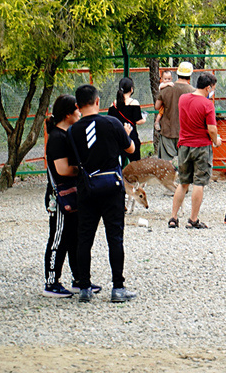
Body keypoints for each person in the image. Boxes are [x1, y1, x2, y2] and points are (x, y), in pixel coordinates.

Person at [69, 84, 136, 303]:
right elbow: (130, 150)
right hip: (111, 187)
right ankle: (118, 288)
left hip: (87, 188)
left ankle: (85, 288)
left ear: (78, 106)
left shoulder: (72, 131)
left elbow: (72, 162)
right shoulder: (112, 123)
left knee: (84, 238)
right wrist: (126, 135)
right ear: (98, 101)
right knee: (114, 237)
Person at [42, 95, 84, 298]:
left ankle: (79, 279)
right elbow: (63, 169)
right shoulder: (57, 138)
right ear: (68, 113)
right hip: (59, 198)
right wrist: (83, 170)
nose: (80, 112)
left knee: (75, 238)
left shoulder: (68, 134)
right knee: (58, 238)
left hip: (73, 195)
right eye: (77, 109)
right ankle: (51, 282)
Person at [169, 72, 222, 229]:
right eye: (213, 88)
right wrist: (216, 140)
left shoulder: (183, 99)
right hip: (201, 146)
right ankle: (193, 219)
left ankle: (173, 217)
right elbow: (212, 129)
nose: (213, 91)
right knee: (199, 182)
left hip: (184, 145)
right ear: (208, 87)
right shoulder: (207, 104)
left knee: (183, 181)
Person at [153, 61, 194, 161]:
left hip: (168, 130)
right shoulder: (193, 91)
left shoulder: (166, 89)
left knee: (166, 165)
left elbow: (157, 107)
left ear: (177, 74)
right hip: (185, 133)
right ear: (190, 76)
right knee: (185, 165)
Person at [108, 77, 145, 165]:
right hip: (131, 137)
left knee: (118, 164)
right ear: (131, 89)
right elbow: (138, 121)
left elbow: (110, 120)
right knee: (135, 164)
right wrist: (144, 118)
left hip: (118, 139)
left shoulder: (113, 104)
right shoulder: (134, 102)